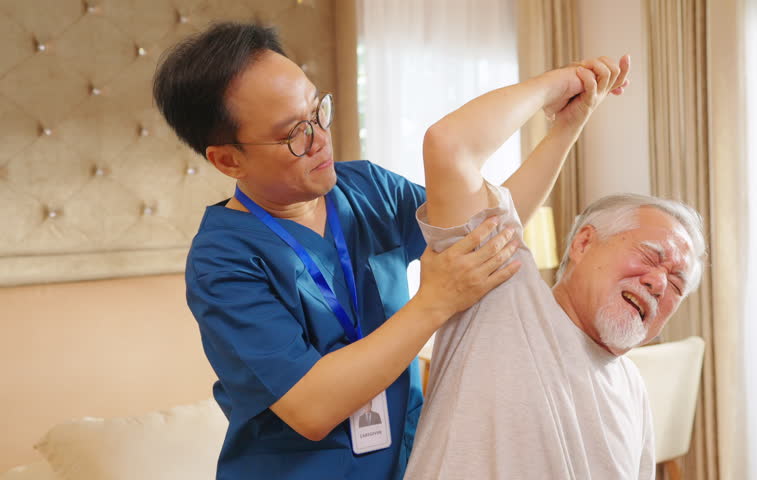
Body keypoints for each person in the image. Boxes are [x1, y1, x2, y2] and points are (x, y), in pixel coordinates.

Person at [152, 22, 524, 480]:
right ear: (229, 160)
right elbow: (312, 407)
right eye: (294, 133)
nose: (321, 138)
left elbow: (492, 225)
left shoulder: (367, 189)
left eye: (318, 111)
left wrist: (563, 120)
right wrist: (436, 301)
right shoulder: (222, 261)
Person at [404, 55, 706, 479]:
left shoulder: (632, 390)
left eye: (677, 284)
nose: (659, 283)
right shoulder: (499, 295)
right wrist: (563, 93)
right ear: (584, 243)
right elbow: (450, 146)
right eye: (651, 256)